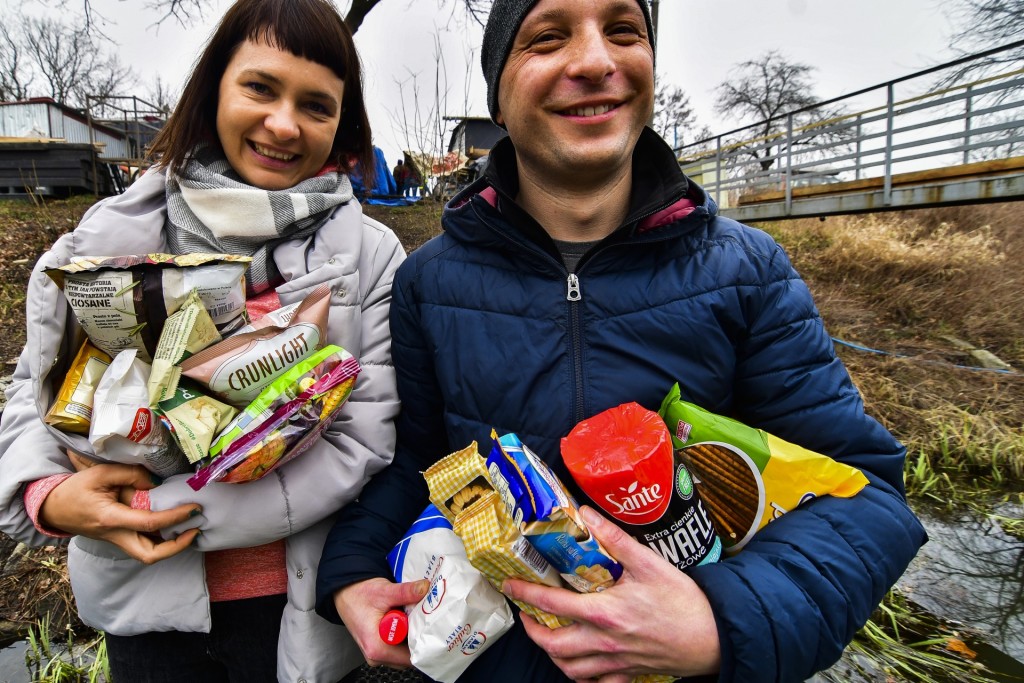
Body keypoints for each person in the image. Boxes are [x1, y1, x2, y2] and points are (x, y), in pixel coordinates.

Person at [316, 0, 927, 681]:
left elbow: (869, 493)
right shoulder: (428, 281)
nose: (595, 61)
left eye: (624, 31)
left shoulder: (747, 273)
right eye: (548, 37)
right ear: (499, 88)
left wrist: (720, 620)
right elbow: (417, 463)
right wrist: (351, 571)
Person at [0, 0, 405, 681]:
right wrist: (47, 493)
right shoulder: (109, 234)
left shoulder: (373, 256)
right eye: (260, 88)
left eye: (316, 104)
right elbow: (30, 392)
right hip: (140, 605)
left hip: (295, 612)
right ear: (215, 86)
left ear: (343, 123)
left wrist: (156, 510)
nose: (283, 123)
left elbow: (364, 441)